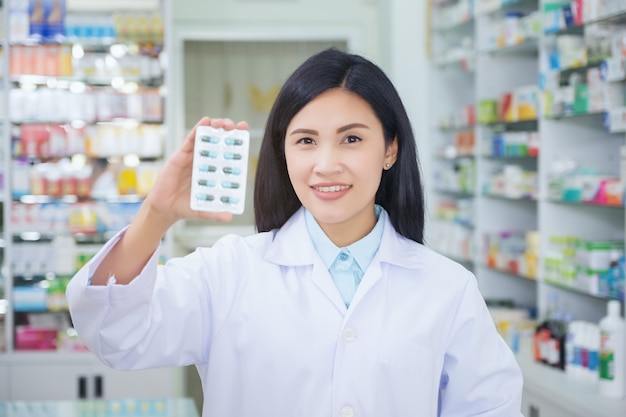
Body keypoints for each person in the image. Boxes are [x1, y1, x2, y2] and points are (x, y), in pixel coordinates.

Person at [66, 48, 523, 416]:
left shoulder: (447, 288)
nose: (326, 165)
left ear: (390, 149)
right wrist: (157, 215)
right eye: (305, 140)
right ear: (283, 153)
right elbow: (115, 335)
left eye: (351, 139)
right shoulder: (229, 272)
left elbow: (490, 407)